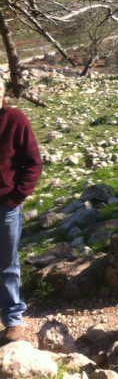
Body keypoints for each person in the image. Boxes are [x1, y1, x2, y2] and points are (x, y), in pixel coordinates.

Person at [0, 74, 42, 345]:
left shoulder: (15, 119)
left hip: (5, 206)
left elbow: (33, 163)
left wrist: (15, 199)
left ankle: (13, 318)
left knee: (7, 264)